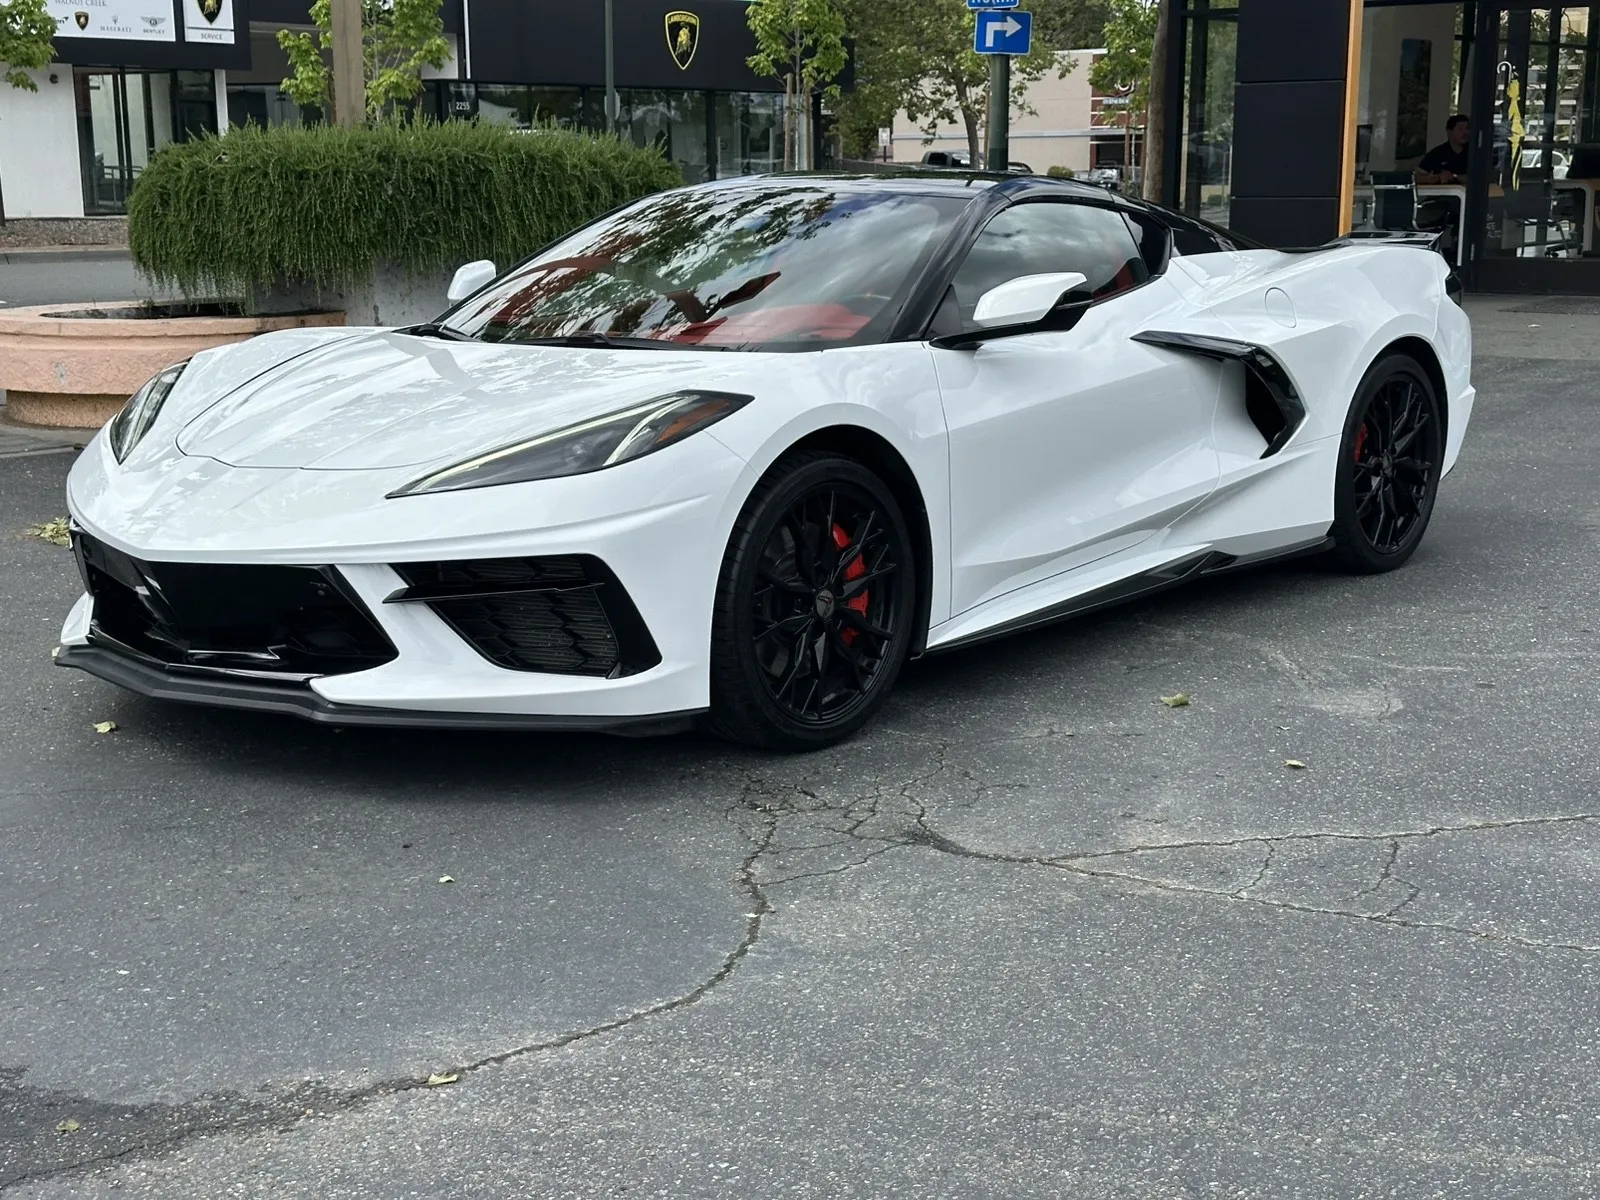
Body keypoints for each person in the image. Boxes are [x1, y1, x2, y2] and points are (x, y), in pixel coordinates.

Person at [1416, 114, 1470, 185]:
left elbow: (1478, 177)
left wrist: (1454, 177)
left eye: (1467, 128)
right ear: (1450, 132)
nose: (1465, 132)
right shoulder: (1437, 153)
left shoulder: (1474, 153)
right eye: (1460, 129)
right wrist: (1433, 178)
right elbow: (1416, 177)